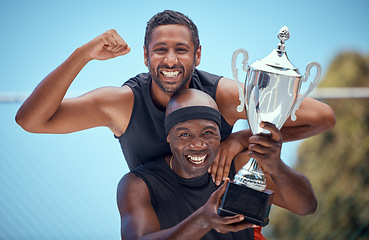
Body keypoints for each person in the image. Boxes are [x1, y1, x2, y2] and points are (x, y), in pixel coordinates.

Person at [15, 10, 335, 184]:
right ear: (145, 56)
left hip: (219, 217)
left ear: (197, 54)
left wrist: (240, 138)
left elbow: (322, 117)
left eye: (181, 50)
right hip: (160, 221)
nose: (170, 61)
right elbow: (30, 121)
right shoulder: (123, 104)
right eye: (160, 50)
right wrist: (83, 54)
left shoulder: (220, 95)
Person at [117, 89, 317, 240]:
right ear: (169, 136)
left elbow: (306, 206)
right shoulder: (139, 184)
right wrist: (203, 220)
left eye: (208, 133)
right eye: (185, 134)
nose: (197, 144)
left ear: (220, 135)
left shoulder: (238, 165)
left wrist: (277, 167)